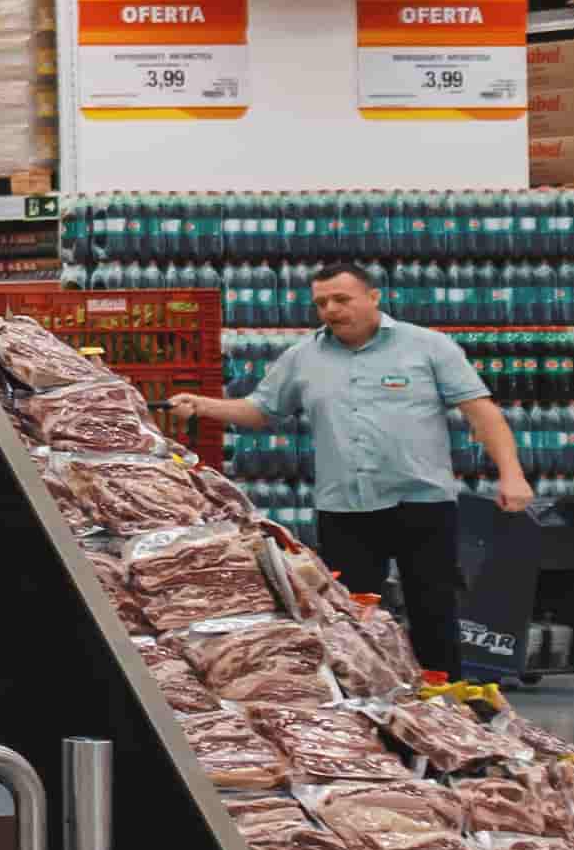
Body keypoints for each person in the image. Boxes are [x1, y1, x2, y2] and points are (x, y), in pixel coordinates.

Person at [178, 259, 533, 687]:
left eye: (341, 299)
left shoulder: (427, 347)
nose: (330, 309)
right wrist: (204, 405)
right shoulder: (303, 357)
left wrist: (511, 474)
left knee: (433, 610)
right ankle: (363, 703)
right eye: (321, 302)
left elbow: (482, 413)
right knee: (347, 617)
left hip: (422, 503)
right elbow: (261, 410)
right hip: (345, 508)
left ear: (373, 297)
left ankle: (445, 700)